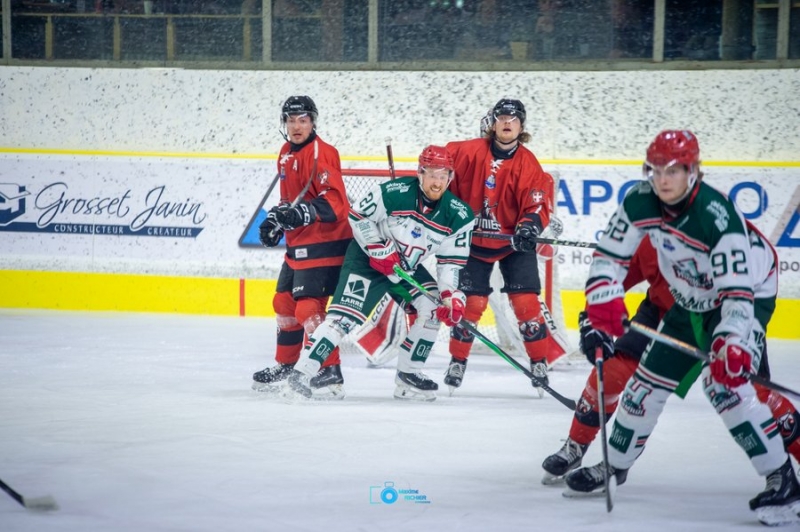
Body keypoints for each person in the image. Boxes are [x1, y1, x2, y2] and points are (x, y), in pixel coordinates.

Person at [563, 130, 799, 525]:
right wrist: (600, 298)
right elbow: (610, 254)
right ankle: (615, 467)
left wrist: (732, 342)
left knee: (726, 386)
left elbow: (737, 294)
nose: (663, 179)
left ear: (694, 171)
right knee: (642, 387)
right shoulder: (640, 200)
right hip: (687, 298)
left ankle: (783, 480)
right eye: (656, 170)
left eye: (673, 170)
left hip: (744, 296)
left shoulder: (716, 219)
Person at [541, 235, 800, 485]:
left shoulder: (720, 235)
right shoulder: (646, 235)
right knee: (612, 372)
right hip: (665, 313)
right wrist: (593, 316)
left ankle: (781, 477)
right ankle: (580, 447)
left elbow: (758, 276)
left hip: (726, 319)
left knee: (756, 397)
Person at [281, 145, 474, 402]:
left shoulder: (459, 216)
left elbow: (450, 263)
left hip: (405, 269)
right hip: (366, 261)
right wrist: (377, 247)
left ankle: (409, 376)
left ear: (450, 177)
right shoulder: (395, 192)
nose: (437, 181)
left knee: (432, 306)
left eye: (443, 175)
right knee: (342, 320)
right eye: (432, 174)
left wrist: (451, 296)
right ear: (420, 173)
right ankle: (301, 375)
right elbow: (358, 215)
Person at [444, 98, 561, 396]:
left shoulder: (528, 163)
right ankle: (457, 361)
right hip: (473, 242)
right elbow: (437, 163)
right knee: (471, 305)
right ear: (493, 122)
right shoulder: (469, 151)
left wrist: (529, 226)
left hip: (512, 243)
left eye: (514, 119)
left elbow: (536, 202)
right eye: (502, 117)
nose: (508, 122)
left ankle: (538, 363)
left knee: (526, 305)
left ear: (521, 126)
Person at [251, 95, 353, 396]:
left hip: (327, 241)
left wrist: (301, 213)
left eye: (303, 120)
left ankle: (329, 371)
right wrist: (274, 220)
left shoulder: (324, 153)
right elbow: (290, 201)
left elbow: (336, 203)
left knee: (308, 307)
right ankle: (286, 364)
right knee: (283, 302)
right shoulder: (285, 152)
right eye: (291, 120)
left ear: (313, 122)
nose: (297, 126)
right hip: (299, 243)